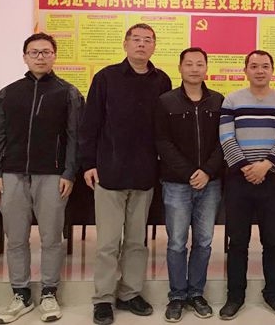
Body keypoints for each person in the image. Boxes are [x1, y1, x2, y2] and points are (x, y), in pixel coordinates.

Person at [80, 24, 172, 325]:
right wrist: (88, 163)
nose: (142, 45)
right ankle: (103, 299)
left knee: (136, 241)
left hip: (145, 174)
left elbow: (164, 129)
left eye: (148, 40)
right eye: (136, 40)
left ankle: (130, 293)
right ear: (125, 44)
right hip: (110, 172)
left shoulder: (162, 80)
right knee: (107, 243)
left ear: (154, 46)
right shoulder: (106, 77)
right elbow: (90, 123)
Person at [0, 33, 82, 324]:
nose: (40, 57)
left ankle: (49, 293)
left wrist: (69, 172)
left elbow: (74, 137)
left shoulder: (68, 93)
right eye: (34, 52)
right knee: (16, 238)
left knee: (51, 237)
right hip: (12, 174)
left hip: (52, 176)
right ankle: (20, 294)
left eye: (46, 52)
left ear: (54, 55)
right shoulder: (8, 93)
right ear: (25, 57)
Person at [218, 50, 275, 320]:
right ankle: (235, 296)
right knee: (237, 241)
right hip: (238, 180)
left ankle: (273, 293)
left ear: (272, 70)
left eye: (265, 66)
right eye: (254, 66)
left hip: (271, 179)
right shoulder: (232, 100)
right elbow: (226, 137)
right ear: (246, 70)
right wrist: (245, 167)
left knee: (272, 240)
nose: (260, 71)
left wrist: (265, 165)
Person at [155, 47, 224, 322]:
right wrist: (189, 173)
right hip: (176, 184)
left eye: (199, 64)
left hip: (211, 183)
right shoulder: (166, 101)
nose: (194, 69)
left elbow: (223, 142)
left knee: (204, 241)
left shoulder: (218, 101)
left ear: (206, 68)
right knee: (176, 242)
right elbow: (162, 142)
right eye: (189, 64)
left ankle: (196, 293)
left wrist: (207, 171)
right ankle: (176, 295)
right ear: (180, 68)